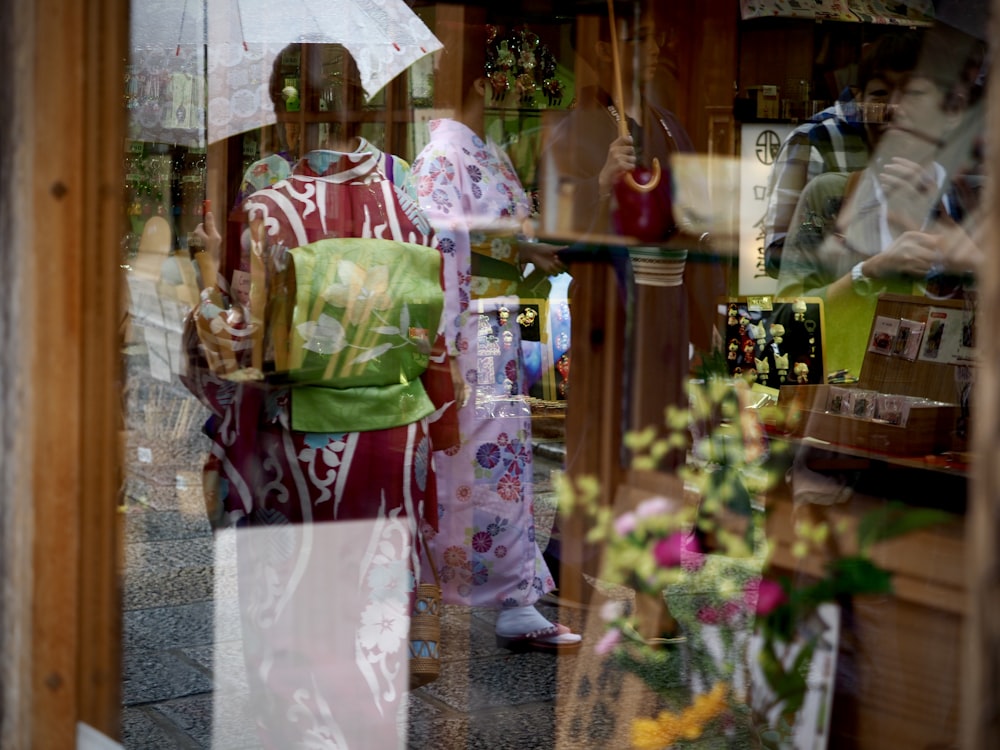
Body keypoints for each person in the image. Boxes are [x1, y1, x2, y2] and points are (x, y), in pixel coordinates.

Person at [180, 44, 460, 748]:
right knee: (373, 616)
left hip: (299, 441)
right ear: (361, 106)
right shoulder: (408, 197)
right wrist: (442, 419)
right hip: (395, 439)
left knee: (299, 614)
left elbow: (238, 346)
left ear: (282, 111)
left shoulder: (266, 205)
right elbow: (436, 328)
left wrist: (204, 282)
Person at [405, 19, 580, 650]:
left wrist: (524, 244)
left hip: (496, 325)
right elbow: (445, 244)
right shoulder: (446, 155)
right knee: (470, 460)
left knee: (503, 458)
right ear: (479, 82)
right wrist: (445, 343)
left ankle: (513, 594)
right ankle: (474, 591)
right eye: (503, 78)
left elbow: (479, 234)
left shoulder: (475, 149)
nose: (512, 90)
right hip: (473, 329)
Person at [776, 26, 986, 378]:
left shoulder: (978, 201)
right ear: (860, 104)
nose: (892, 108)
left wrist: (962, 257)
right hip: (843, 417)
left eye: (914, 94)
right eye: (879, 93)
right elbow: (777, 343)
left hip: (957, 424)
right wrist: (866, 274)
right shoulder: (828, 196)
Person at [761, 31, 924, 277]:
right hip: (838, 303)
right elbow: (777, 257)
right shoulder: (813, 139)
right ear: (860, 95)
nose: (895, 107)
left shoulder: (937, 142)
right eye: (881, 93)